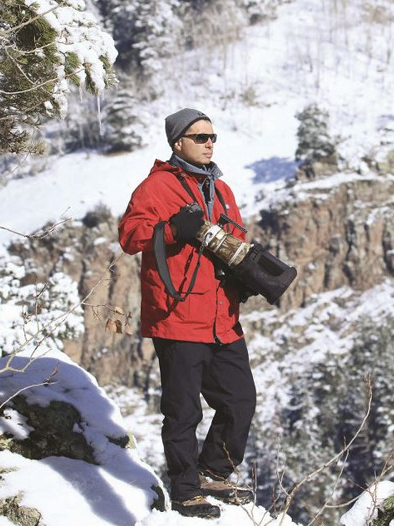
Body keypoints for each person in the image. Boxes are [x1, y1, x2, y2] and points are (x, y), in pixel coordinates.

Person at [118, 108, 256, 519]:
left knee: (240, 400)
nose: (210, 143)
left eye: (213, 136)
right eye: (200, 137)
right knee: (184, 411)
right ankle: (185, 490)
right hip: (177, 314)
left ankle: (214, 471)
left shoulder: (223, 189)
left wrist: (250, 272)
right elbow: (129, 236)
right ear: (178, 142)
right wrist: (174, 229)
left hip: (222, 317)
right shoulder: (157, 187)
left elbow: (236, 240)